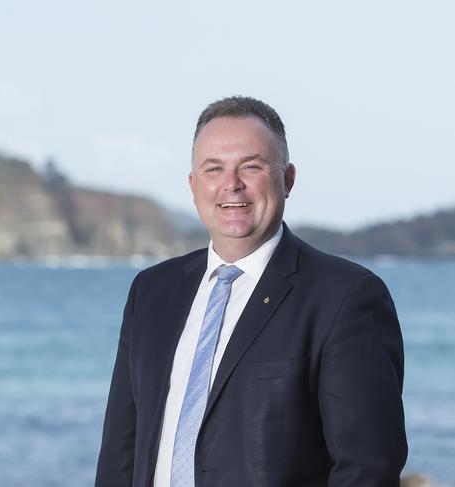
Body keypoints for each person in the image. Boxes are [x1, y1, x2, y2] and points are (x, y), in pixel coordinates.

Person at [95, 96, 407, 486]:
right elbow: (120, 452)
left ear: (288, 179)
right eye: (214, 168)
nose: (232, 184)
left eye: (252, 167)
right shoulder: (152, 292)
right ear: (193, 185)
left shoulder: (346, 297)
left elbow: (368, 470)